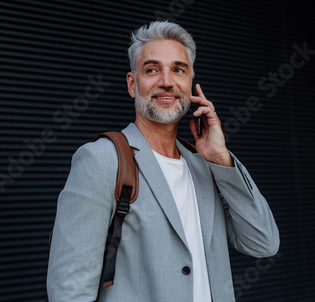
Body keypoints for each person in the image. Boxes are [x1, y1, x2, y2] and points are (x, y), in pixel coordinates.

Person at [47, 21, 280, 302]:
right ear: (133, 84)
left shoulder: (206, 166)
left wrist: (221, 158)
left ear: (191, 81)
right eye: (152, 70)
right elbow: (70, 289)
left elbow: (263, 243)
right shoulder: (101, 160)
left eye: (178, 70)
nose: (167, 81)